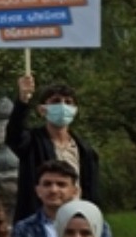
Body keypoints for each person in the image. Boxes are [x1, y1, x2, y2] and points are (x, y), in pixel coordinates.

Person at [7, 74, 99, 221]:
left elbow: (91, 191)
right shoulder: (32, 142)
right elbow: (14, 134)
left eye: (68, 102)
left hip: (75, 222)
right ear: (42, 110)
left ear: (75, 110)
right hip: (40, 224)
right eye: (56, 101)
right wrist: (23, 100)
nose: (63, 106)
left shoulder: (85, 151)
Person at [12, 161, 114, 237]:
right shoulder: (24, 228)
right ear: (38, 190)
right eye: (47, 184)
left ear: (75, 191)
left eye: (61, 184)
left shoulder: (96, 225)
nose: (53, 190)